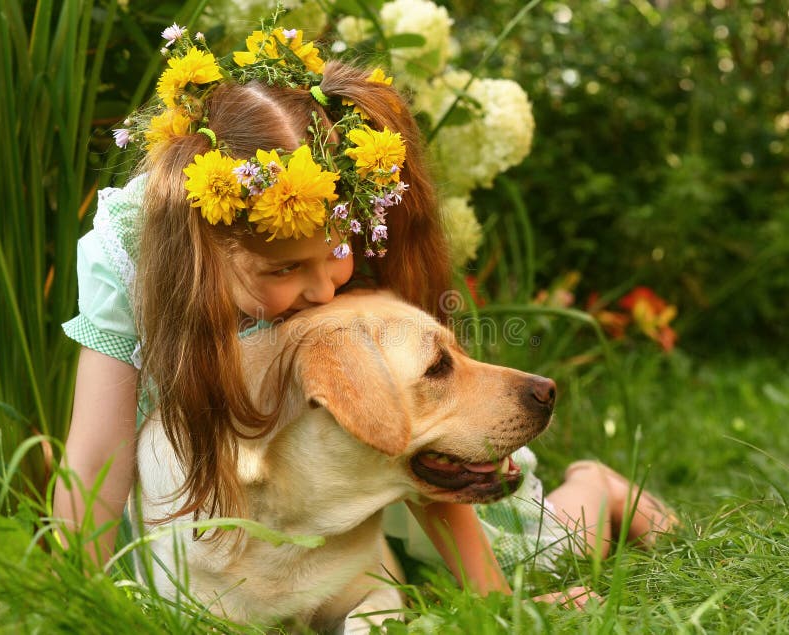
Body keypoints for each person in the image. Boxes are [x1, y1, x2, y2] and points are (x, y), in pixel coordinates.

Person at [54, 22, 673, 603]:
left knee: (527, 554)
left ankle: (596, 488)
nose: (324, 290)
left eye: (337, 254)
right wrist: (73, 600)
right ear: (207, 254)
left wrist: (494, 601)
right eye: (284, 270)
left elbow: (423, 419)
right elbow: (97, 455)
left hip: (368, 470)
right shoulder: (129, 257)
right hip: (225, 506)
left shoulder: (326, 216)